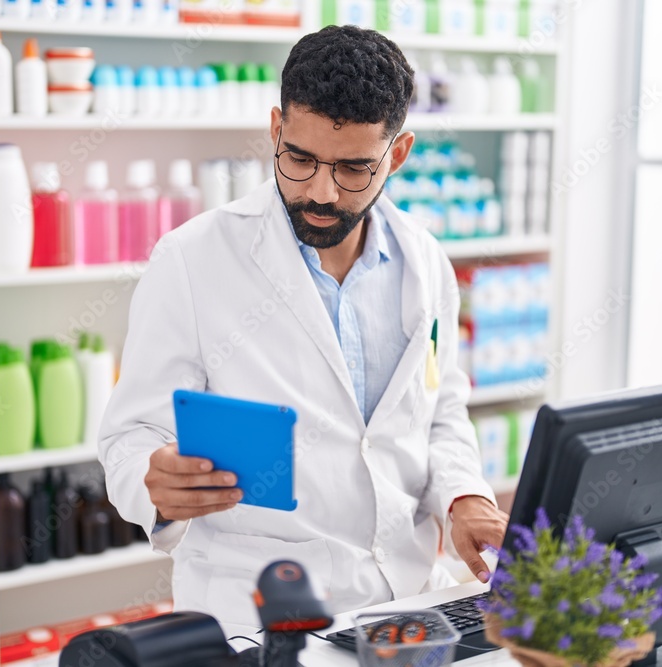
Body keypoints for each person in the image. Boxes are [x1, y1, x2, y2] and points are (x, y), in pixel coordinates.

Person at [99, 25, 509, 627]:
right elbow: (128, 436)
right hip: (260, 615)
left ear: (396, 154)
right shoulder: (191, 260)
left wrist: (464, 496)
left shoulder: (425, 260)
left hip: (409, 601)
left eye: (353, 169)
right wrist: (150, 480)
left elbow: (440, 411)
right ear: (276, 129)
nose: (320, 191)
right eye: (299, 159)